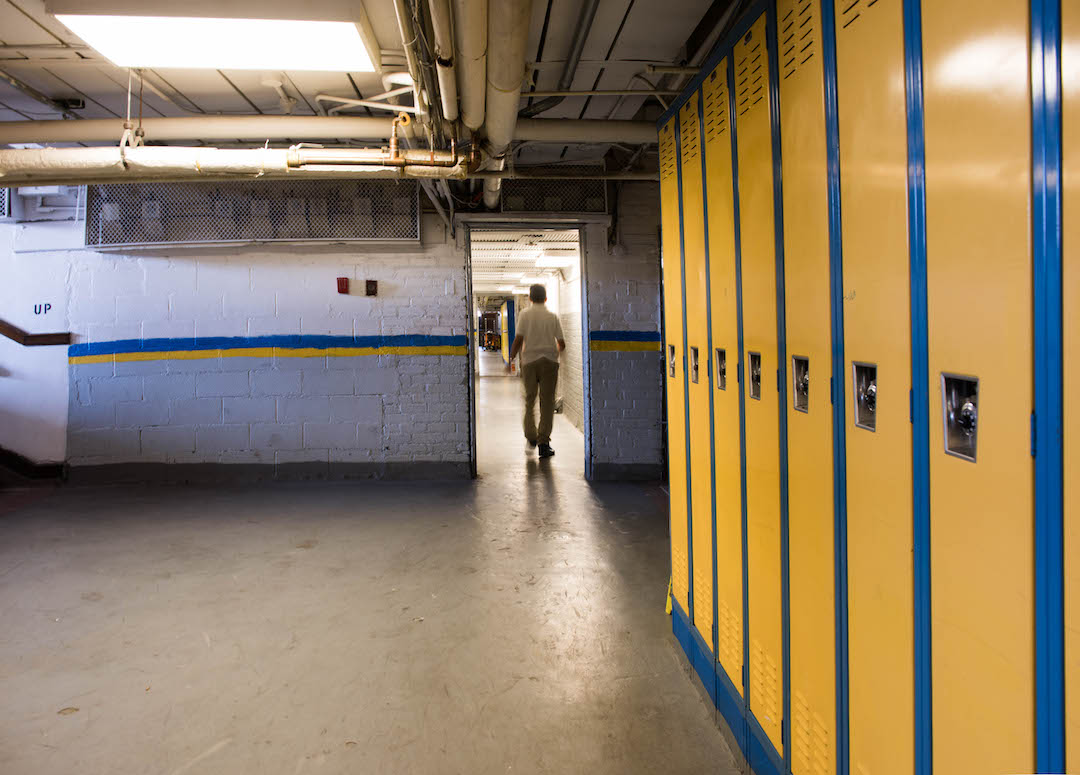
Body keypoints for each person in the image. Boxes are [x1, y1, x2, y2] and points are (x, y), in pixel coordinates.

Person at [508, 284, 565, 458]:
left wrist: (511, 359)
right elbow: (562, 343)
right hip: (549, 362)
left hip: (529, 362)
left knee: (529, 401)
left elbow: (518, 339)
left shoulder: (525, 315)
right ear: (546, 298)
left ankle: (531, 437)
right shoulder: (553, 317)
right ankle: (543, 443)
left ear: (530, 298)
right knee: (547, 403)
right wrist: (552, 351)